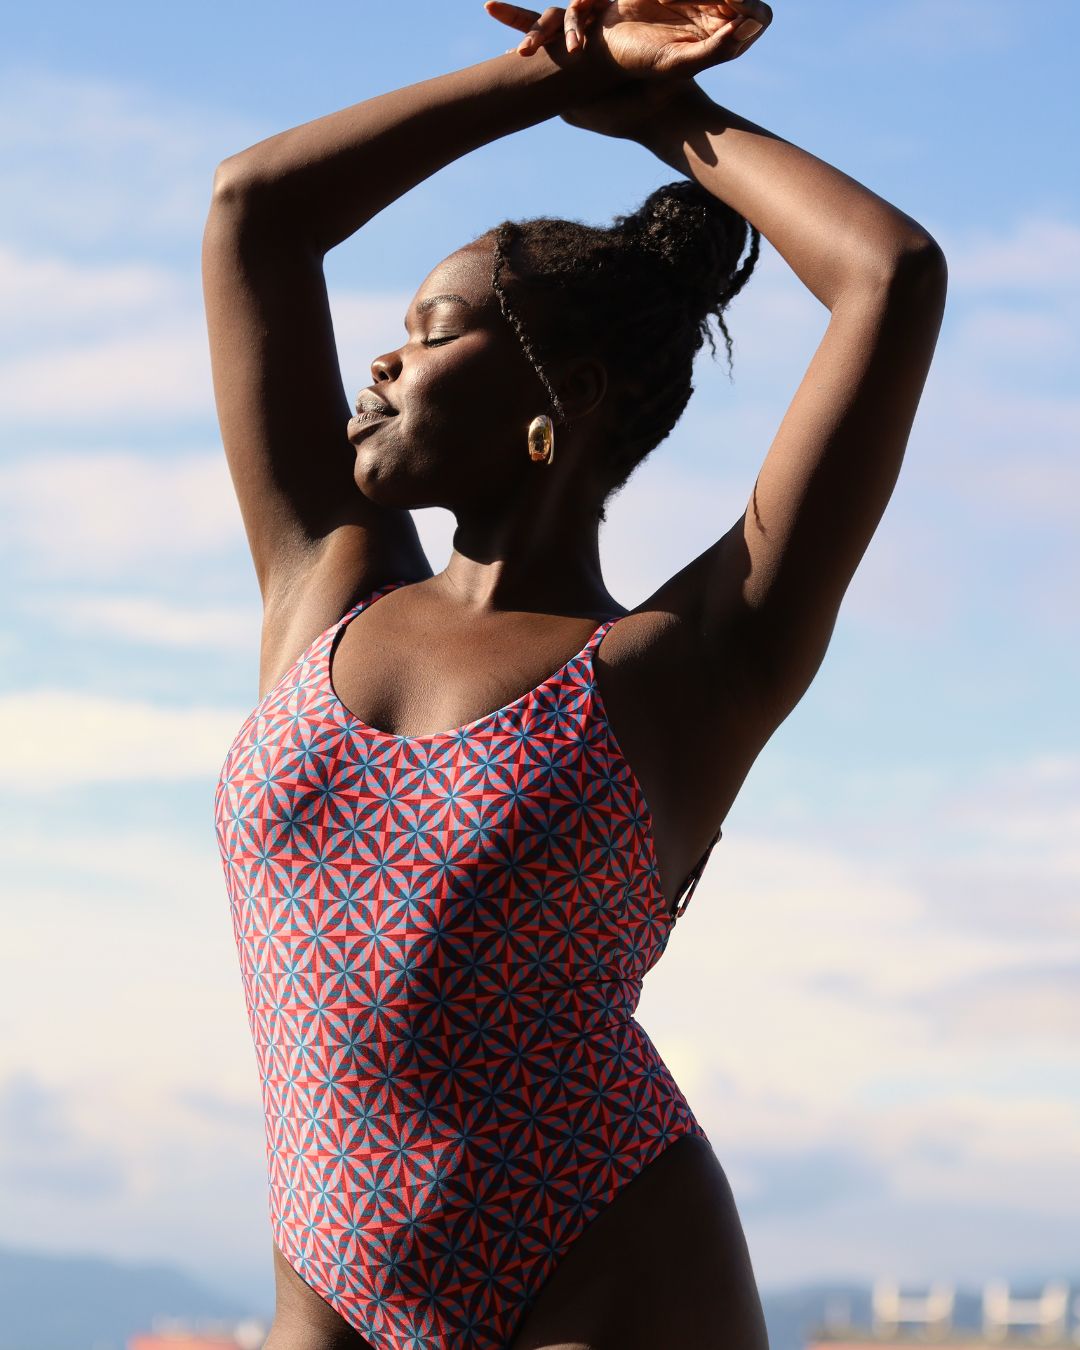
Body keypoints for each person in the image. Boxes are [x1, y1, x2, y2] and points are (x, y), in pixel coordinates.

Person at [205, 2, 947, 1347]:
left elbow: (888, 275)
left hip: (604, 1267)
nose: (385, 358)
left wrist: (668, 115)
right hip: (323, 1280)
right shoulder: (324, 579)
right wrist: (551, 74)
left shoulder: (688, 666)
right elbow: (255, 210)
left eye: (434, 330)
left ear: (568, 394)